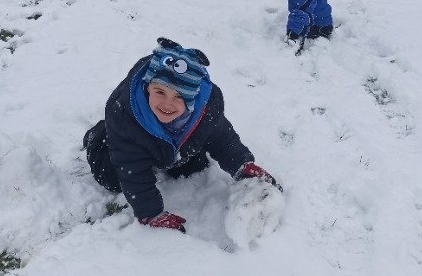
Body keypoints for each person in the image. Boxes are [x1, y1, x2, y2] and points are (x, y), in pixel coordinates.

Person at [83, 37, 282, 232]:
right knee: (112, 178)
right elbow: (132, 170)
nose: (167, 104)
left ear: (192, 98)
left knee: (193, 167)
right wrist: (151, 213)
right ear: (147, 86)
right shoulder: (125, 116)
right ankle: (98, 136)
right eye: (160, 92)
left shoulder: (206, 110)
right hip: (130, 140)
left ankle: (170, 150)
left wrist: (241, 164)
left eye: (179, 96)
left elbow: (221, 137)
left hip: (170, 145)